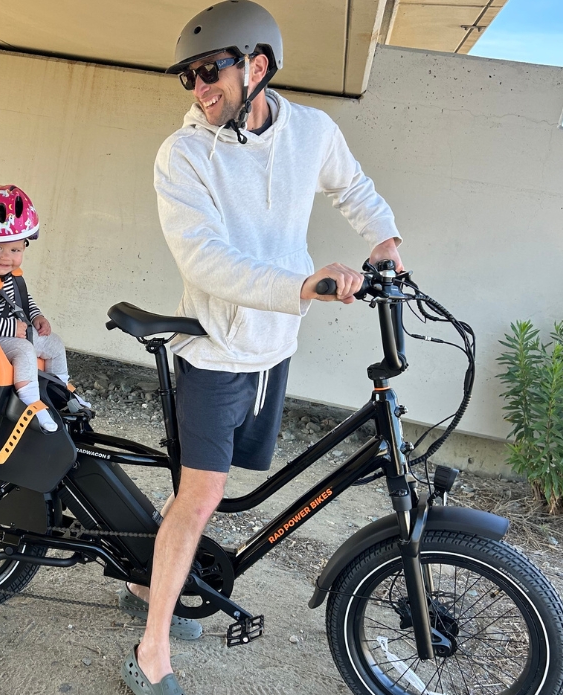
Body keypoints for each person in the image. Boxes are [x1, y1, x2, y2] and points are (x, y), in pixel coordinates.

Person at [120, 3, 405, 693]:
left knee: (224, 484)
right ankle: (151, 648)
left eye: (208, 71)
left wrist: (385, 238)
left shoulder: (312, 131)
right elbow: (205, 262)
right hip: (216, 350)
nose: (198, 89)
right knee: (203, 495)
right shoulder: (183, 153)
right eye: (188, 77)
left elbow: (352, 186)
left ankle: (144, 575)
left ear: (257, 65)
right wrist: (305, 283)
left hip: (276, 345)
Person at [0, 185, 89, 432]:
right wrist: (11, 327)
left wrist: (36, 315)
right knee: (25, 350)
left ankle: (59, 391)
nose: (6, 257)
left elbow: (21, 300)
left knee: (55, 344)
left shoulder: (6, 272)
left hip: (16, 331)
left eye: (15, 250)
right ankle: (31, 401)